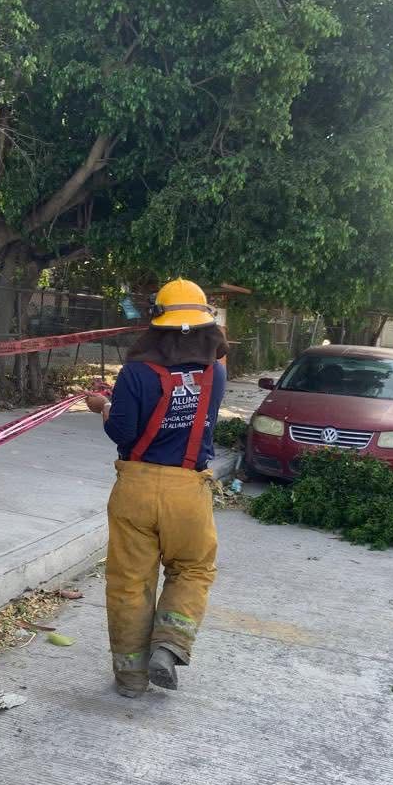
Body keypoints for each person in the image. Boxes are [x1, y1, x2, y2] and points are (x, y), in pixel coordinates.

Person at [86, 279, 228, 698]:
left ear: (157, 322)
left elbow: (123, 430)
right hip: (188, 488)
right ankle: (169, 644)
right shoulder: (215, 371)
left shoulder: (135, 372)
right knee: (192, 568)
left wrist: (104, 407)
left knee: (130, 582)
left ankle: (130, 678)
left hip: (136, 488)